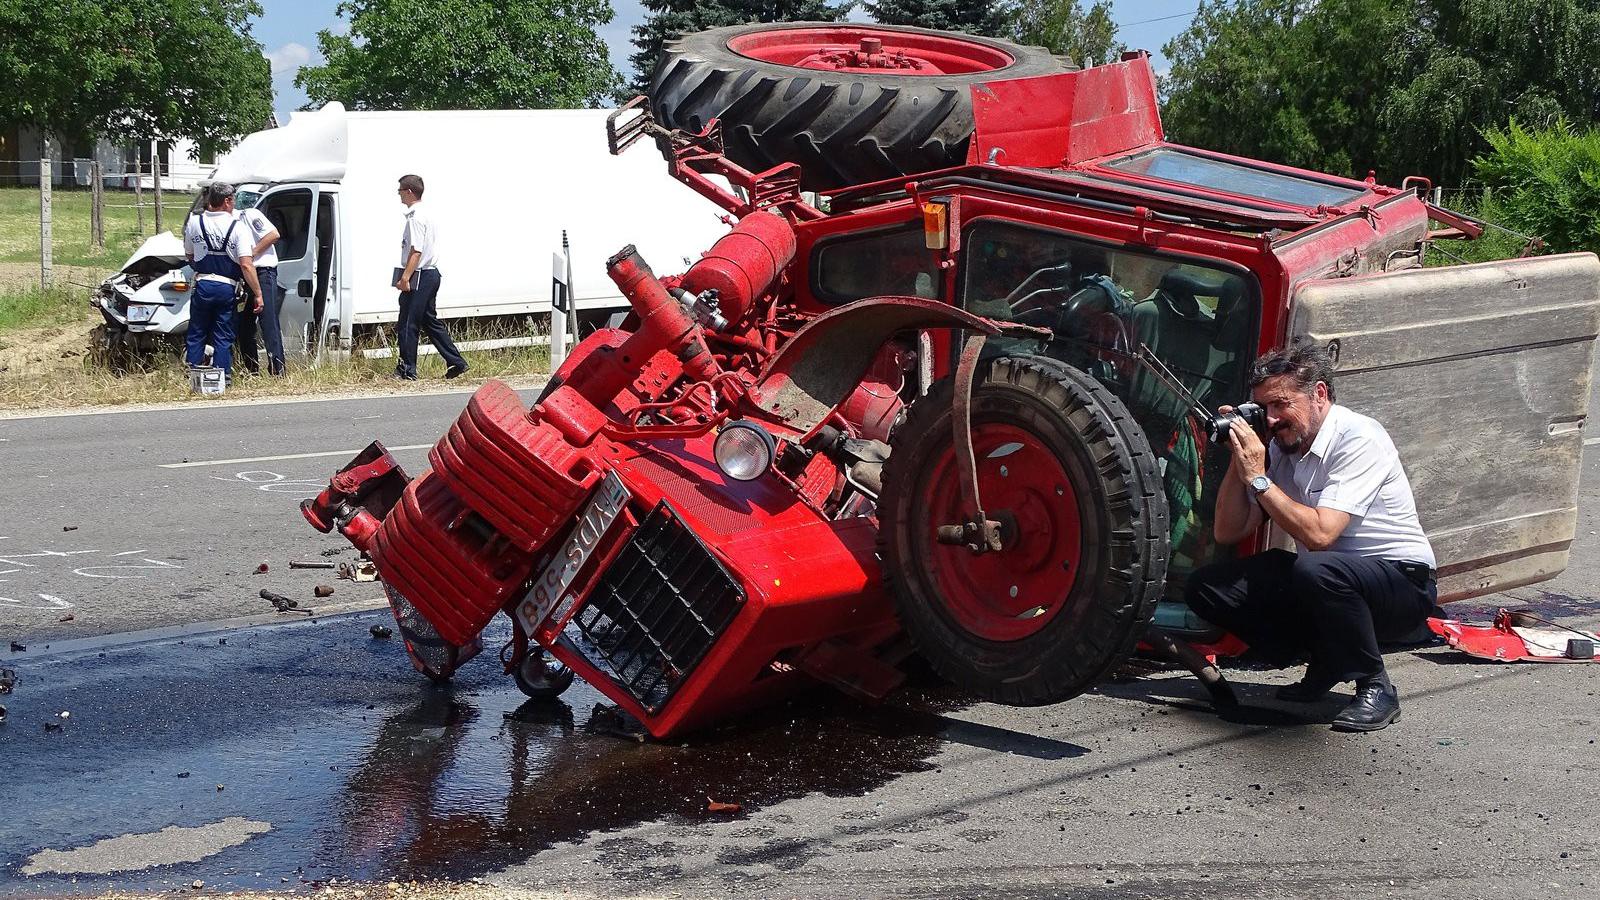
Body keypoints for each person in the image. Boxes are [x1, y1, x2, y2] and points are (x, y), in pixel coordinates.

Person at [1184, 339, 1436, 732]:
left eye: (1281, 404)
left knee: (1315, 569)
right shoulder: (1284, 446)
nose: (1270, 419)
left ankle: (1376, 686)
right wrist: (1241, 458)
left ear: (1319, 393)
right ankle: (1327, 657)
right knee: (1208, 587)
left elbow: (1321, 535)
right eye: (1262, 409)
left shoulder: (1359, 437)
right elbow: (1229, 530)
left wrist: (1259, 477)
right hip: (1329, 579)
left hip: (1401, 583)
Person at [183, 182, 261, 383]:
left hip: (202, 284)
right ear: (227, 201)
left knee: (197, 332)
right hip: (226, 286)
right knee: (223, 335)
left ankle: (192, 374)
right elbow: (246, 264)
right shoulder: (238, 228)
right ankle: (222, 377)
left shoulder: (194, 223)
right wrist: (258, 293)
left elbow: (189, 255)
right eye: (233, 200)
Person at [393, 174, 467, 380]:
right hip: (431, 274)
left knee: (408, 322)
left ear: (409, 191)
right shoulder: (428, 214)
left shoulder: (415, 218)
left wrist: (405, 278)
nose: (398, 194)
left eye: (400, 190)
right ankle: (456, 361)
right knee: (429, 321)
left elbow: (416, 251)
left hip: (420, 274)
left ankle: (407, 369)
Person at [233, 199, 284, 375]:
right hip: (244, 273)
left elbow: (273, 235)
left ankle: (278, 369)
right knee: (244, 324)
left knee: (268, 321)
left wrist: (251, 253)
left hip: (263, 271)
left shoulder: (248, 215)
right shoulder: (226, 224)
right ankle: (251, 369)